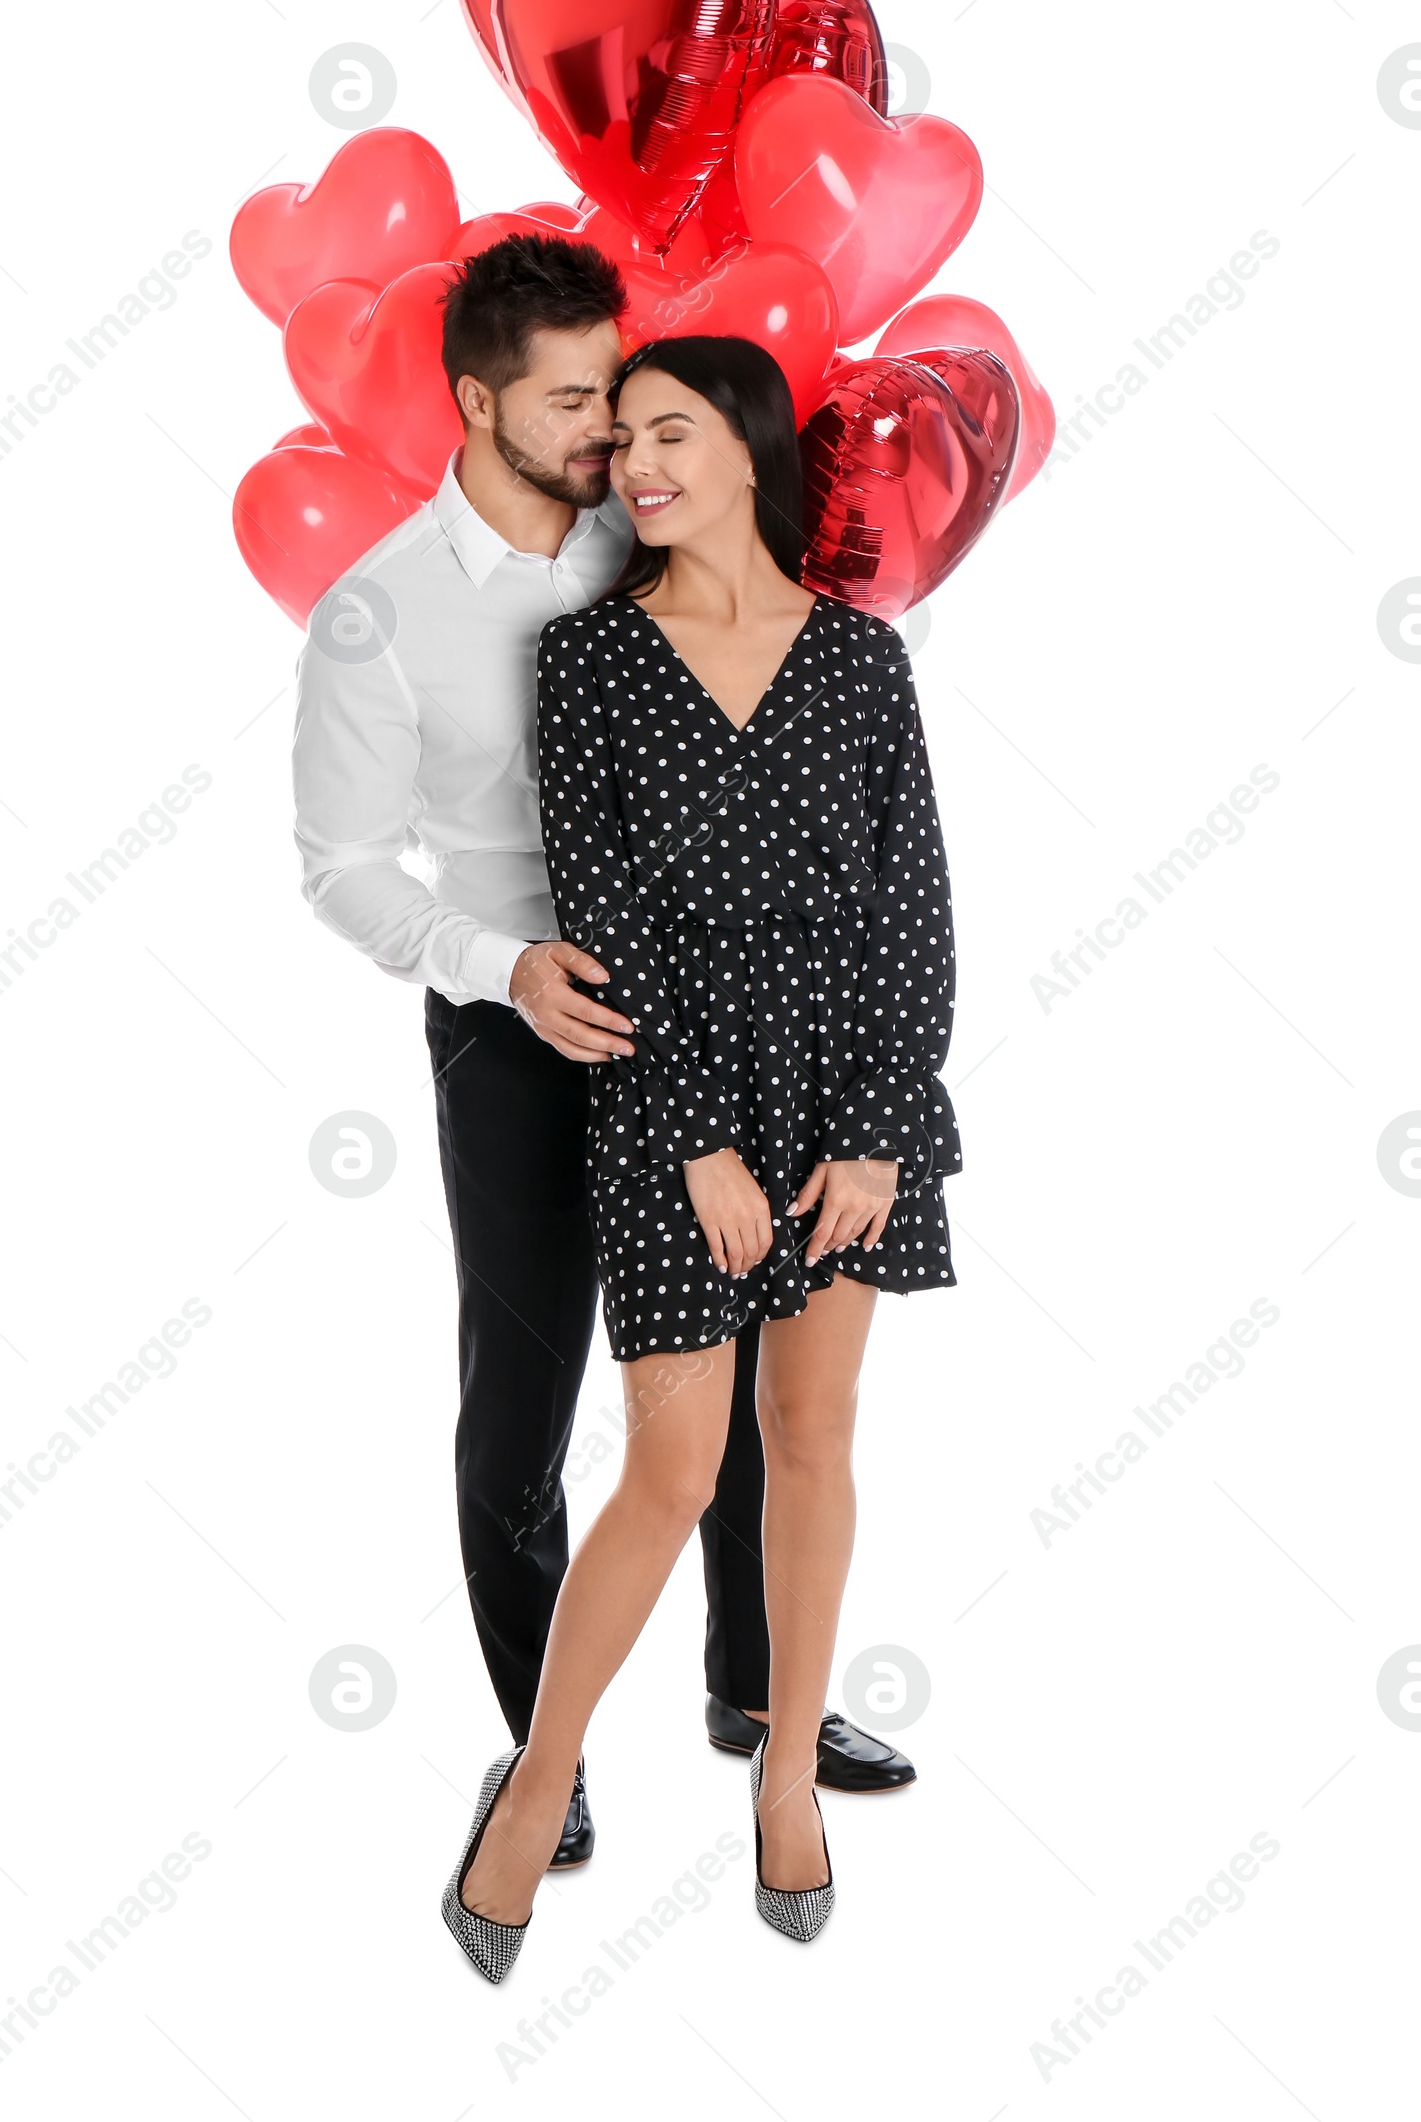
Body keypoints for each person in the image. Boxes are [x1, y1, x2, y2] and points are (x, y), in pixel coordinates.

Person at [292, 241, 909, 1880]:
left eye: (627, 400)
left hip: (725, 1024)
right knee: (530, 1405)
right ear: (477, 400)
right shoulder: (382, 614)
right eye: (576, 401)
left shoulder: (656, 533)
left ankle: (758, 1696)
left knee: (739, 1387)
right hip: (519, 1030)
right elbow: (343, 867)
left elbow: (848, 832)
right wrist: (500, 967)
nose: (609, 437)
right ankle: (537, 1751)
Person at [442, 334, 960, 1977]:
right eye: (621, 438)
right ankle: (531, 1790)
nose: (634, 462)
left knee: (812, 1437)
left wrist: (881, 1133)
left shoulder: (862, 661)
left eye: (670, 432)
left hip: (849, 1096)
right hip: (680, 1108)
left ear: (746, 448)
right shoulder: (591, 662)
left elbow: (914, 911)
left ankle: (789, 1778)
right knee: (672, 1473)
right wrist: (696, 1147)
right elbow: (605, 921)